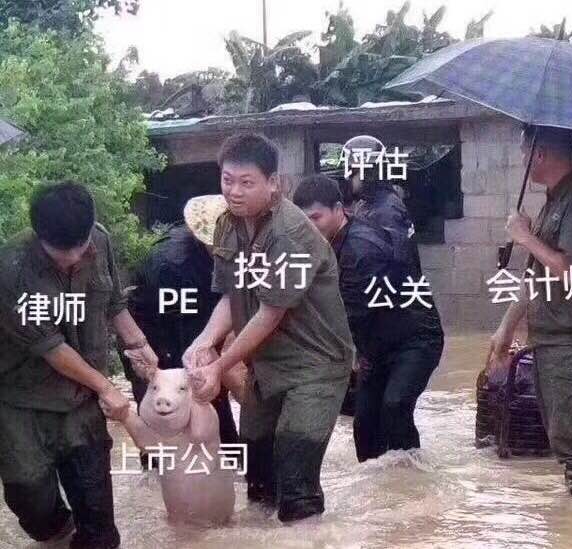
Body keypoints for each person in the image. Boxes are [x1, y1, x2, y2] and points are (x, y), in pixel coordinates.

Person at [182, 133, 354, 522]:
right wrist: (204, 342)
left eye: (246, 182)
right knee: (258, 478)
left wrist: (219, 366)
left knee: (295, 482)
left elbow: (269, 313)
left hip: (315, 366)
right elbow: (232, 295)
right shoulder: (227, 225)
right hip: (266, 365)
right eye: (228, 180)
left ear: (273, 182)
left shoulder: (289, 233)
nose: (234, 191)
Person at [0, 182, 158, 548]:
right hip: (22, 400)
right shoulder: (10, 271)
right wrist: (110, 391)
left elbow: (113, 302)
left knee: (97, 515)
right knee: (34, 502)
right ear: (39, 235)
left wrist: (139, 345)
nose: (73, 258)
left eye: (80, 247)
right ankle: (57, 530)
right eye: (60, 253)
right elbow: (51, 347)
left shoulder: (99, 240)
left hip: (81, 397)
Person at [293, 174, 444, 462]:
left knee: (395, 406)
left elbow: (348, 316)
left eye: (316, 218)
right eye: (304, 221)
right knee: (364, 424)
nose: (310, 227)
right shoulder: (329, 240)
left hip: (415, 340)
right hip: (377, 345)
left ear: (339, 210)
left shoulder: (361, 250)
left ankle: (412, 478)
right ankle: (380, 485)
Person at [492, 125, 572, 494]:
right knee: (570, 446)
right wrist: (506, 328)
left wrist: (525, 237)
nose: (523, 159)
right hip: (554, 343)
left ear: (539, 154)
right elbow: (536, 276)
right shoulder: (556, 200)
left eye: (525, 153)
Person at [119, 197, 246, 466]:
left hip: (193, 333)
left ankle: (230, 466)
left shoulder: (229, 258)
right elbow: (187, 341)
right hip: (153, 344)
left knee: (217, 421)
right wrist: (222, 374)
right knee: (165, 423)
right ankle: (157, 480)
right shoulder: (173, 267)